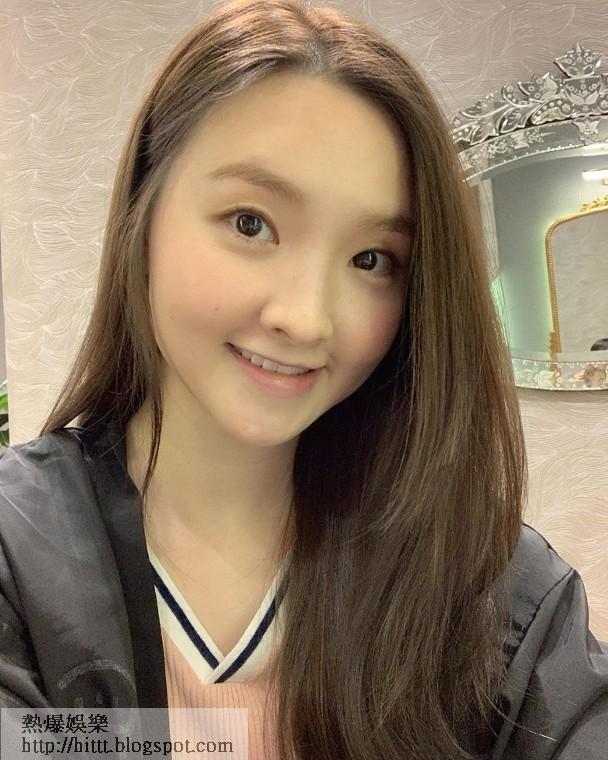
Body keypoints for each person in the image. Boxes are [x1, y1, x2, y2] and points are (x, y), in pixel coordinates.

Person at [0, 0, 606, 758]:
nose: (307, 318)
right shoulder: (18, 560)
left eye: (371, 260)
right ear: (142, 214)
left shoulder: (492, 589)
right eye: (251, 223)